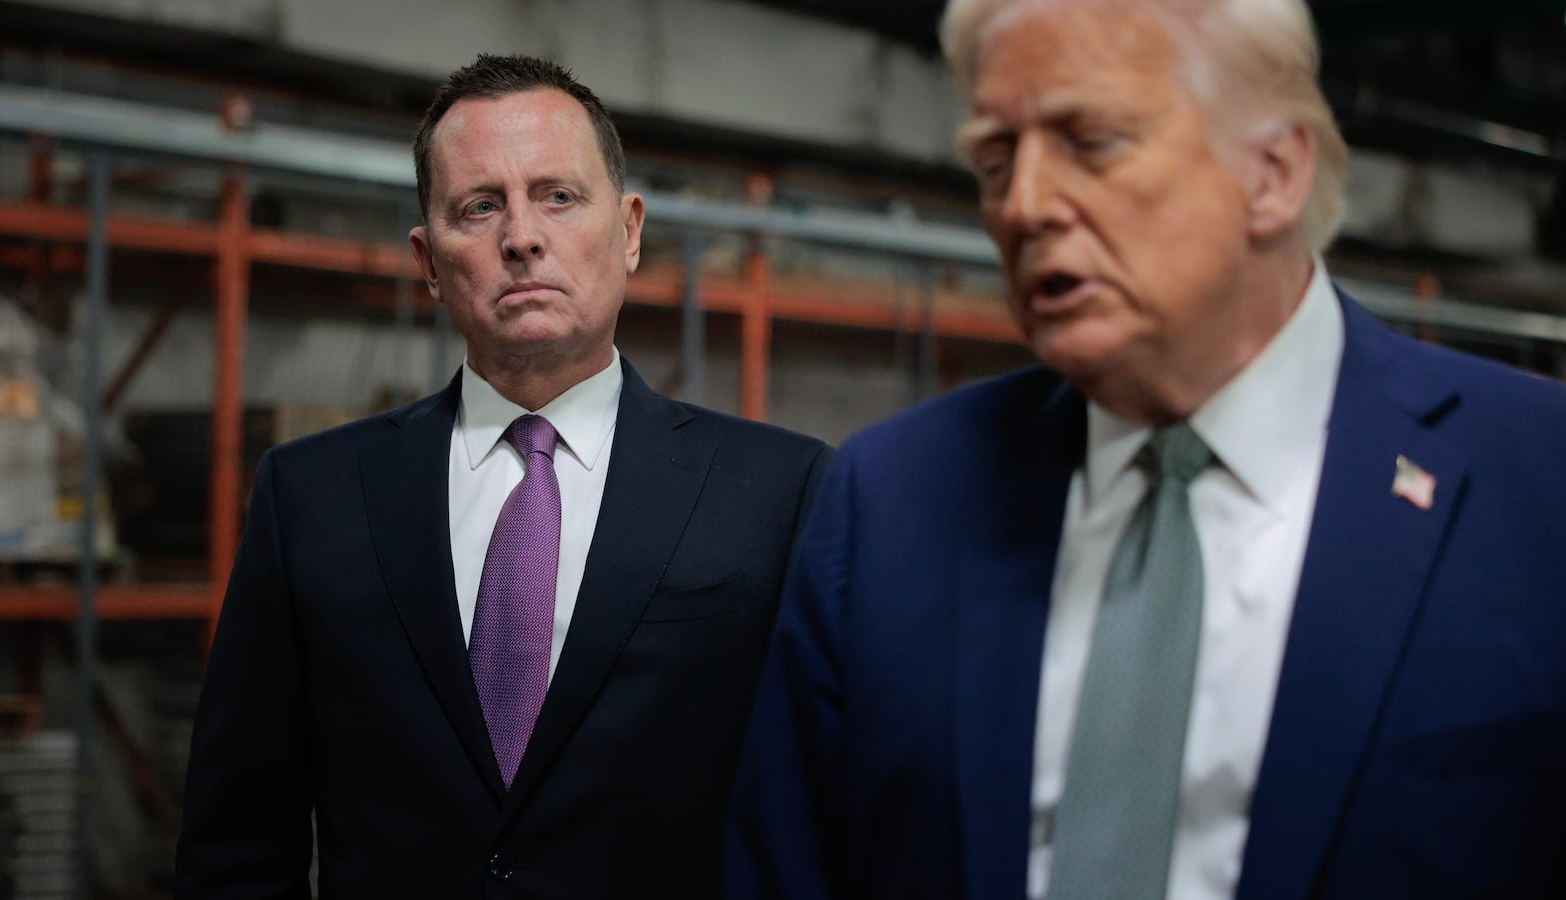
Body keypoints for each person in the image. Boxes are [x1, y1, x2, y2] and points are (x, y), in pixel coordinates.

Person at [725, 1, 1566, 898]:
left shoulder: (1537, 480)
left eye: (1093, 141)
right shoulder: (891, 500)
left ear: (1273, 175)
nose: (1025, 205)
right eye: (996, 161)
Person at [176, 54, 832, 900]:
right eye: (479, 207)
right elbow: (236, 845)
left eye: (557, 196)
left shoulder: (780, 492)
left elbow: (832, 812)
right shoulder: (311, 497)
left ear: (629, 230)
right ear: (428, 260)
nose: (521, 236)